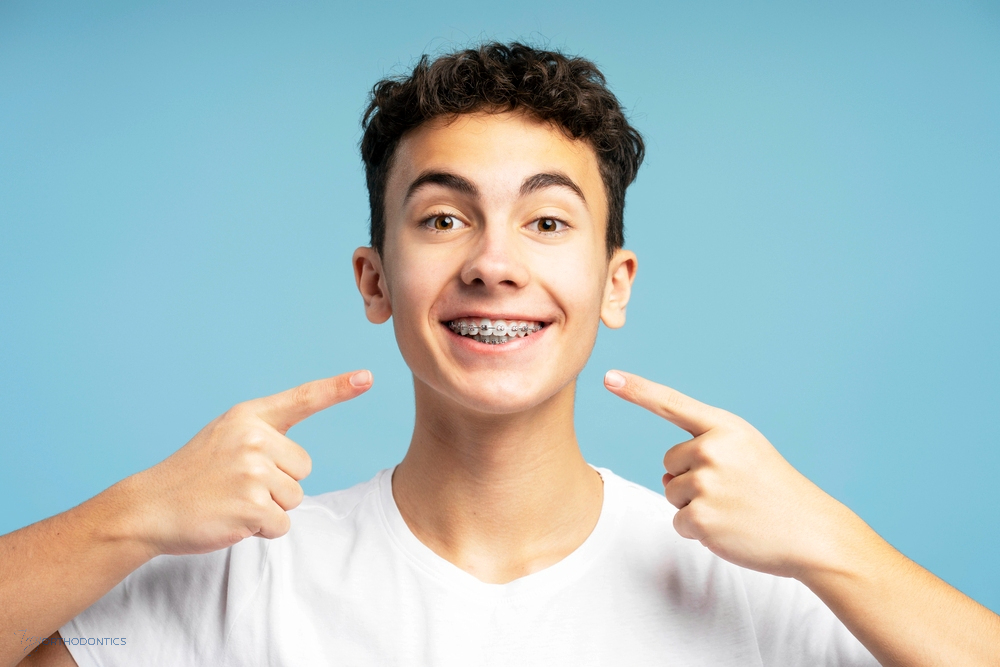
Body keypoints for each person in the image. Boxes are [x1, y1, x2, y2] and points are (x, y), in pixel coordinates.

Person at [4, 42, 999, 667]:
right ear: (374, 279)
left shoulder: (763, 585)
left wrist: (836, 545)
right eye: (443, 217)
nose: (493, 263)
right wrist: (130, 516)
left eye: (548, 222)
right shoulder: (238, 582)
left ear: (616, 283)